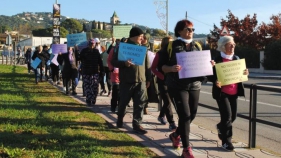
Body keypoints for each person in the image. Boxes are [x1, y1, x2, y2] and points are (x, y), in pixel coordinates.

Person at [158, 19, 207, 158]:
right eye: (188, 29)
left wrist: (209, 64)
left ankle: (175, 135)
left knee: (191, 115)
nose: (191, 32)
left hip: (195, 85)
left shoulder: (197, 45)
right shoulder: (171, 46)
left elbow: (202, 65)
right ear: (179, 31)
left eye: (192, 29)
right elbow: (161, 66)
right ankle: (186, 149)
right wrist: (171, 68)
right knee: (185, 115)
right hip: (177, 86)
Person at [208, 36, 248, 151]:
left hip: (234, 92)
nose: (233, 46)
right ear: (223, 46)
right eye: (230, 44)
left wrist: (245, 72)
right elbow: (208, 75)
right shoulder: (216, 60)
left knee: (233, 116)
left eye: (234, 44)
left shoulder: (236, 58)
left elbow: (241, 73)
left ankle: (220, 127)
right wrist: (214, 81)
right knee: (227, 117)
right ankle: (227, 141)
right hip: (222, 93)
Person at [111, 27, 151, 134]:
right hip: (127, 80)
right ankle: (120, 120)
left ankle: (137, 124)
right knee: (123, 102)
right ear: (134, 36)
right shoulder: (122, 47)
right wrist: (124, 63)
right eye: (140, 36)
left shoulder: (142, 49)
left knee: (140, 103)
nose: (142, 39)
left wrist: (148, 79)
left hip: (141, 81)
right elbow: (113, 62)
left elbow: (147, 65)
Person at [151, 36, 177, 130]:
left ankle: (161, 115)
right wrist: (160, 75)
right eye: (170, 42)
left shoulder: (174, 54)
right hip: (162, 81)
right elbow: (153, 68)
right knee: (167, 101)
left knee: (168, 101)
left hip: (173, 81)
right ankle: (171, 122)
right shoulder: (159, 54)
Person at [80, 38, 104, 106]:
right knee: (87, 86)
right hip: (86, 72)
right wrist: (76, 50)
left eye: (93, 44)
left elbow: (100, 62)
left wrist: (102, 70)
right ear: (88, 44)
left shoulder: (96, 52)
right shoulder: (84, 51)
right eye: (91, 44)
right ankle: (88, 99)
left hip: (94, 72)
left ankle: (93, 99)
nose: (92, 45)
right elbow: (79, 58)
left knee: (95, 87)